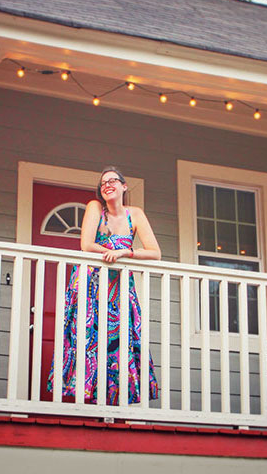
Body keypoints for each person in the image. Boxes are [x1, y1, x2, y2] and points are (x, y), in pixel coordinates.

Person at [47, 166, 160, 405]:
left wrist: (124, 253)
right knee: (86, 338)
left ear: (124, 186)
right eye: (103, 183)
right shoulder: (95, 208)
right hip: (90, 284)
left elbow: (155, 253)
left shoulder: (135, 214)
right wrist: (113, 252)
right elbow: (86, 245)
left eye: (113, 181)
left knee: (121, 340)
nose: (107, 185)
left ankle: (113, 402)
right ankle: (84, 401)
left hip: (119, 287)